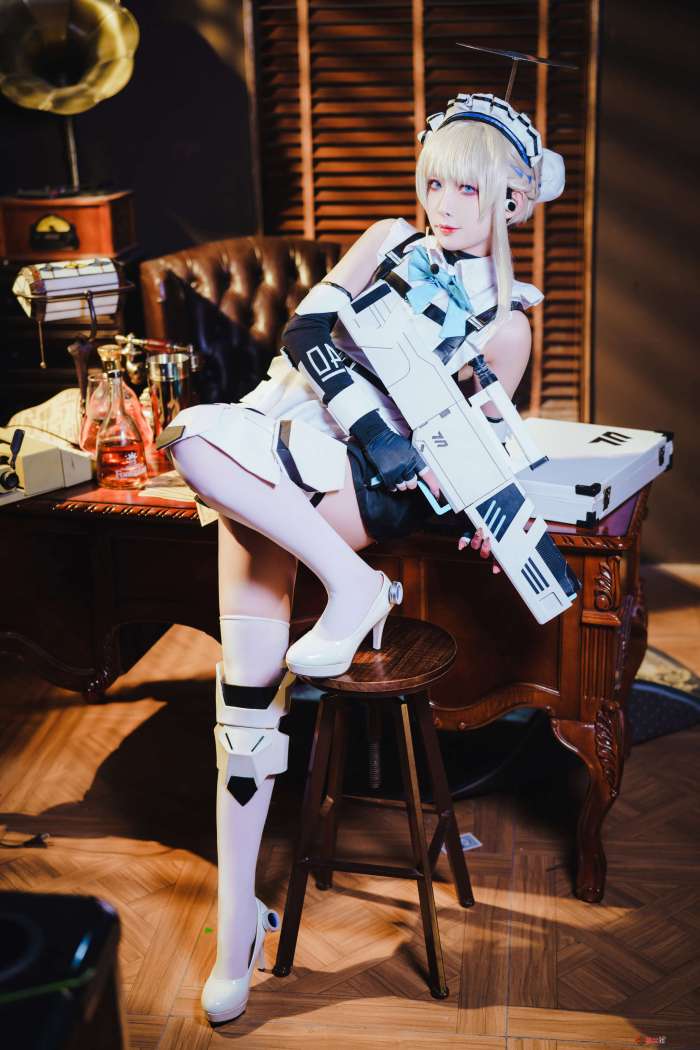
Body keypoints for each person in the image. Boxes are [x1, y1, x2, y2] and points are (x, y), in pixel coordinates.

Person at [157, 90, 565, 1024]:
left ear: (512, 199)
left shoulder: (507, 325)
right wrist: (342, 416)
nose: (444, 204)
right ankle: (237, 930)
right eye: (434, 182)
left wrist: (480, 505)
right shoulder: (385, 240)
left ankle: (353, 581)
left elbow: (458, 455)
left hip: (362, 486)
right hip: (282, 442)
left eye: (468, 188)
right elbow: (304, 337)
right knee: (244, 704)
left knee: (204, 450)